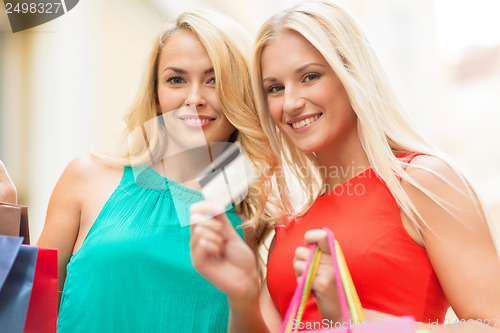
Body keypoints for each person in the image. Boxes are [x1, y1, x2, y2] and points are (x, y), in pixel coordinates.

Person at [189, 1, 500, 332]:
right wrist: (242, 294)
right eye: (275, 88)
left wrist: (353, 320)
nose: (291, 103)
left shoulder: (423, 181)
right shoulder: (290, 223)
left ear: (352, 74)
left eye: (309, 77)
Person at [36, 9, 274, 333]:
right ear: (156, 94)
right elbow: (29, 311)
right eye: (176, 80)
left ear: (241, 92)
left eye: (214, 80)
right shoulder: (86, 179)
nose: (194, 98)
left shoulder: (255, 215)